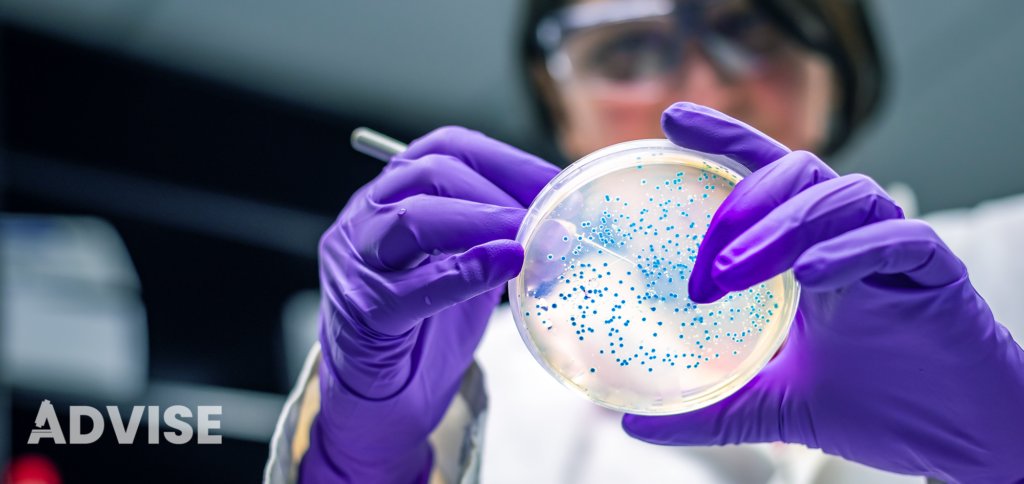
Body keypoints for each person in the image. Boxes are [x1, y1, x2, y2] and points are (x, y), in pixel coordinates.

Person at [263, 1, 1024, 483]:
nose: (703, 86)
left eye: (753, 30)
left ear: (842, 73)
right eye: (625, 52)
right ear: (559, 106)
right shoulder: (487, 371)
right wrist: (366, 460)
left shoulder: (1011, 256)